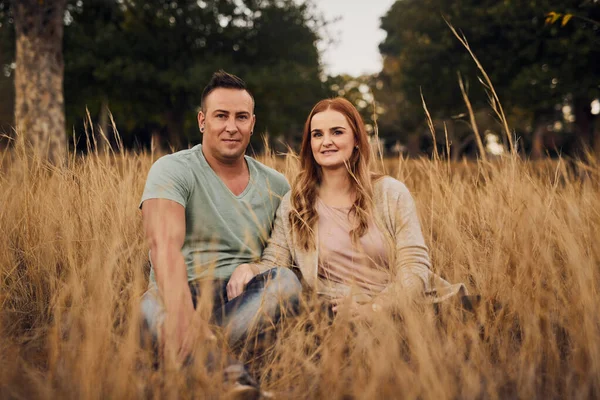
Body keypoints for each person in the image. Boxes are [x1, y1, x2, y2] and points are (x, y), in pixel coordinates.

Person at [230, 97, 466, 314]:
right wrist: (249, 269)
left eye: (337, 132)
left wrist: (376, 308)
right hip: (336, 314)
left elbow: (414, 264)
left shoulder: (389, 193)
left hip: (402, 308)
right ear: (309, 143)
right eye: (317, 134)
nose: (326, 142)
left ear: (356, 140)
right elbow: (276, 263)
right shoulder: (296, 203)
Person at [138, 70, 302, 371]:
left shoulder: (276, 185)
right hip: (178, 292)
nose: (231, 127)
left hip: (243, 296)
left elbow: (284, 255)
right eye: (221, 116)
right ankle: (227, 373)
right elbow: (163, 246)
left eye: (241, 117)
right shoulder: (172, 170)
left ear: (252, 124)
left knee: (287, 283)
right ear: (203, 121)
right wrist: (184, 317)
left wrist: (253, 269)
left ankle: (198, 356)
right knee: (149, 309)